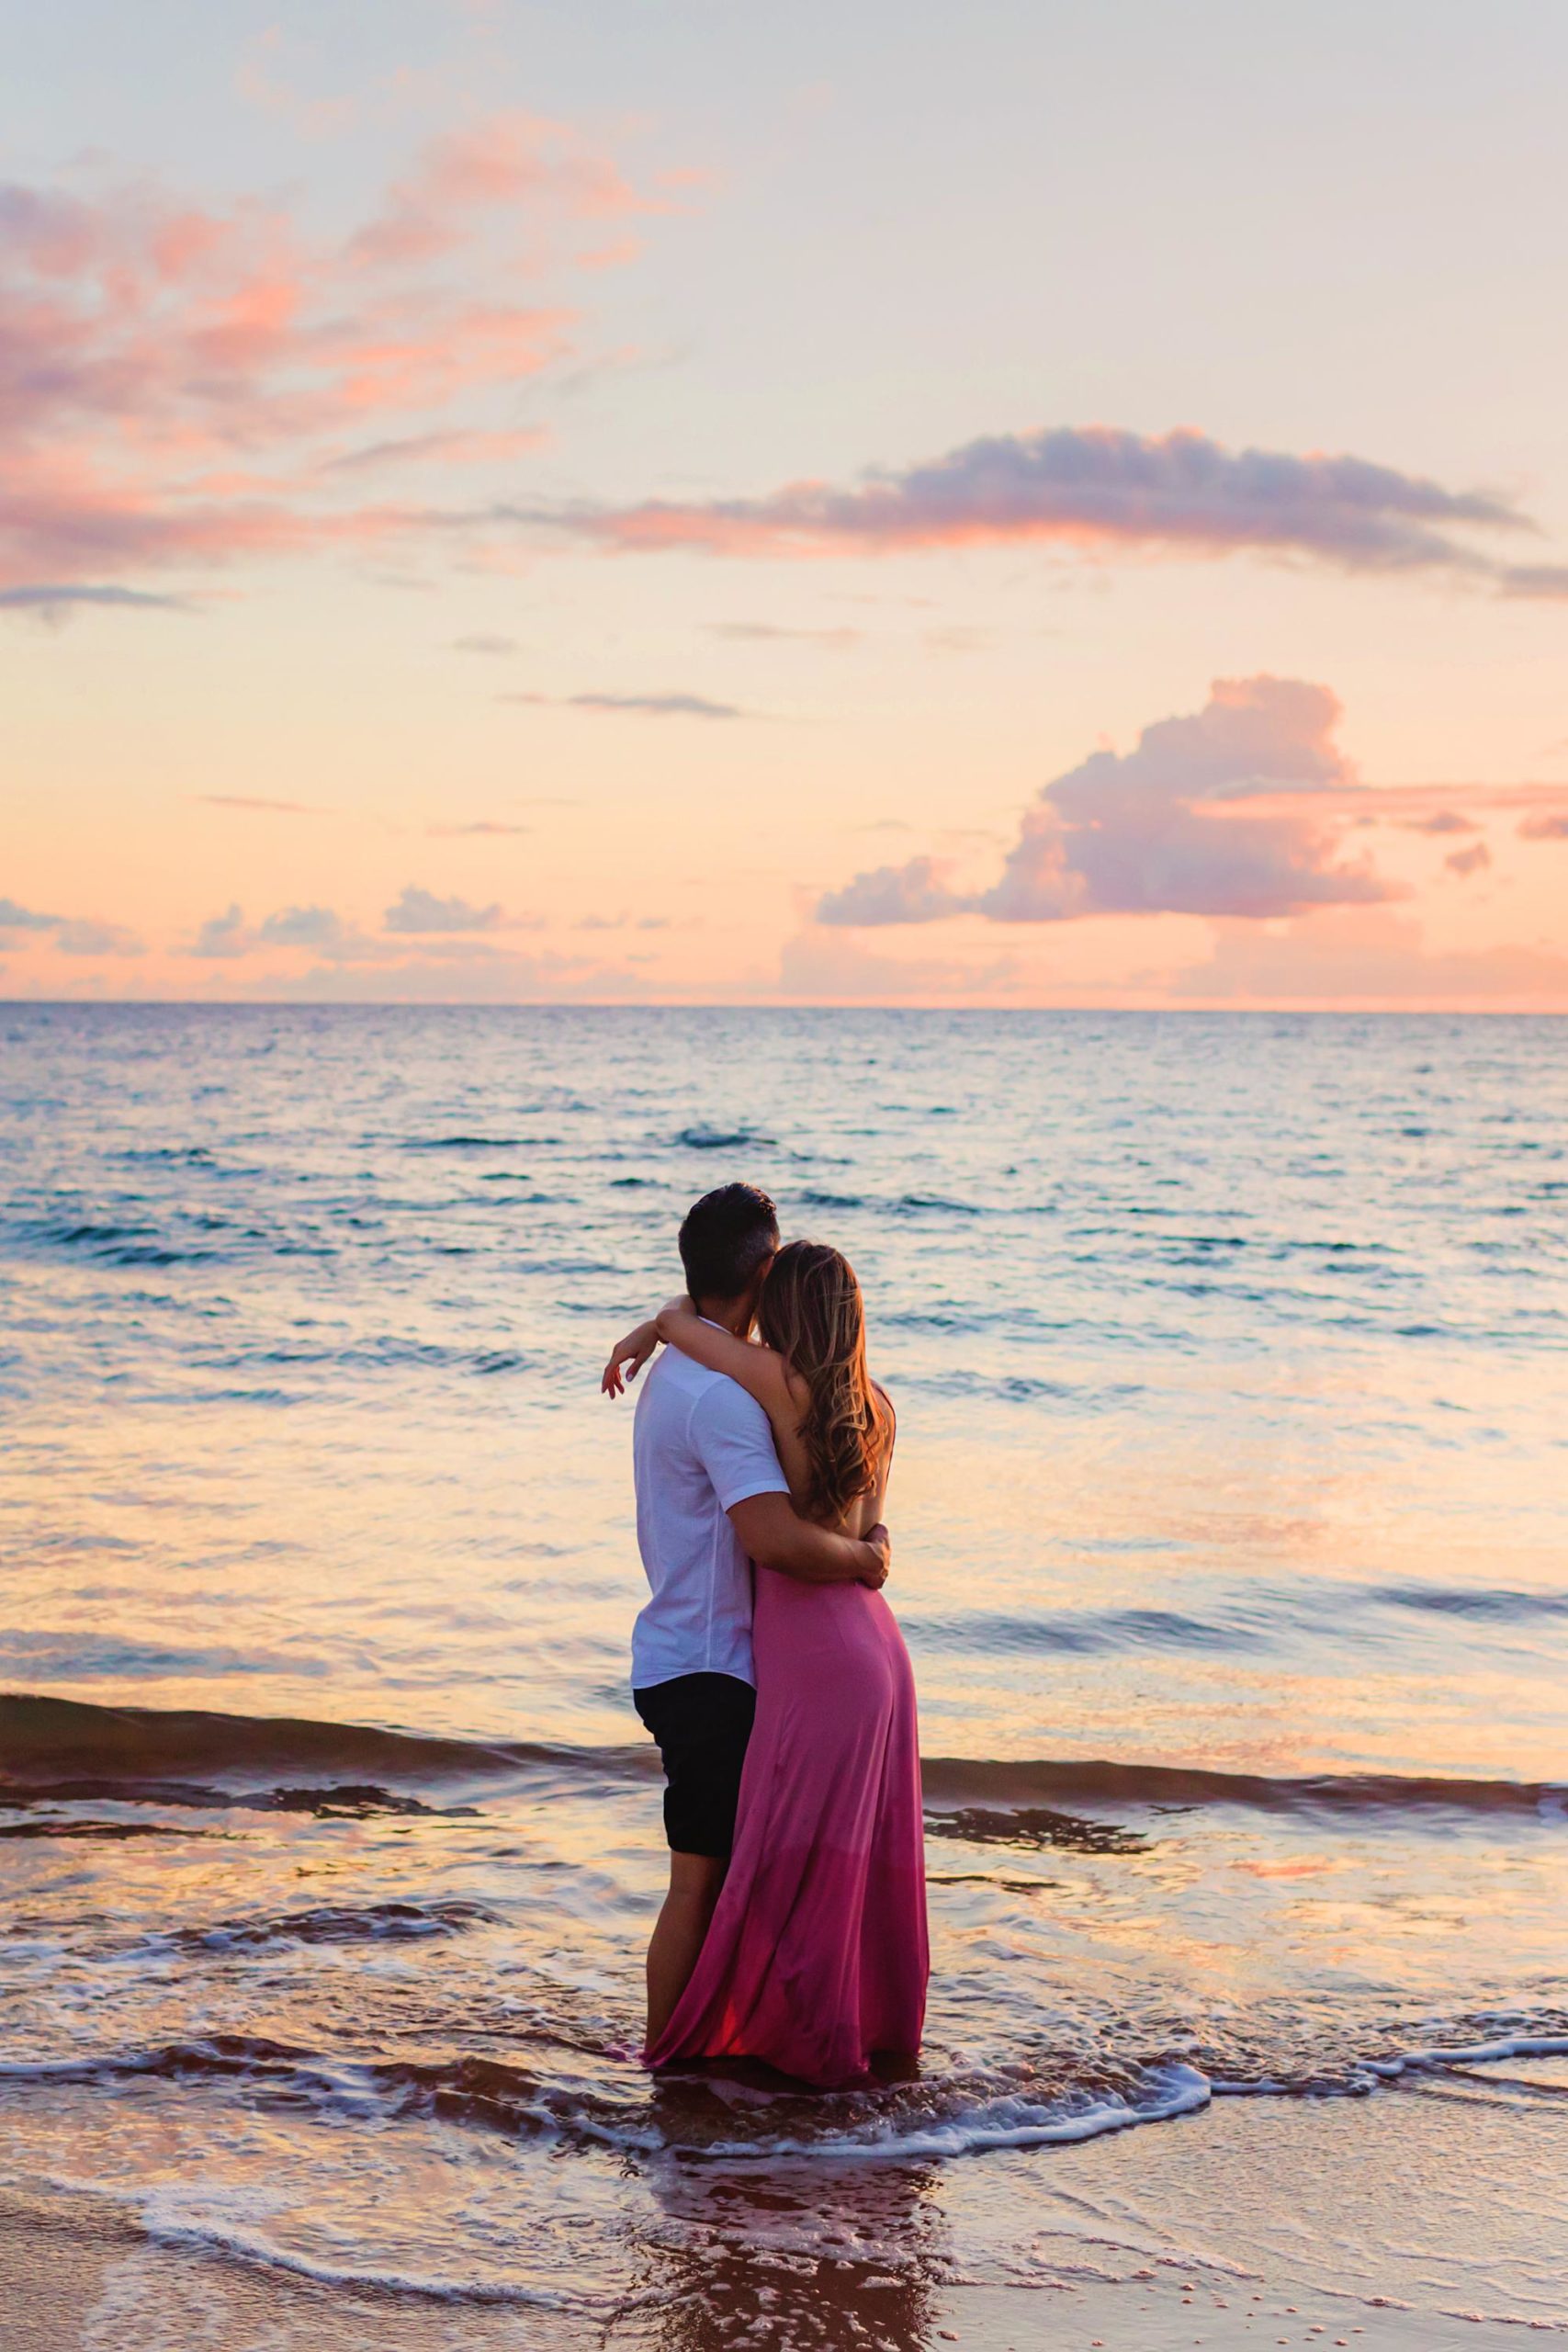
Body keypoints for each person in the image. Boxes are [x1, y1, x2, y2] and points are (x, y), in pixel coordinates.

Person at [604, 1227, 928, 2087]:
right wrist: (871, 1551)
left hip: (813, 1646)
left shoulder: (777, 1389)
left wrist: (652, 1325)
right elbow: (873, 1527)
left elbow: (690, 1333)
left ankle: (776, 2054)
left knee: (784, 1863)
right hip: (877, 1644)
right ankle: (863, 2041)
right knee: (855, 1863)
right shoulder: (880, 1405)